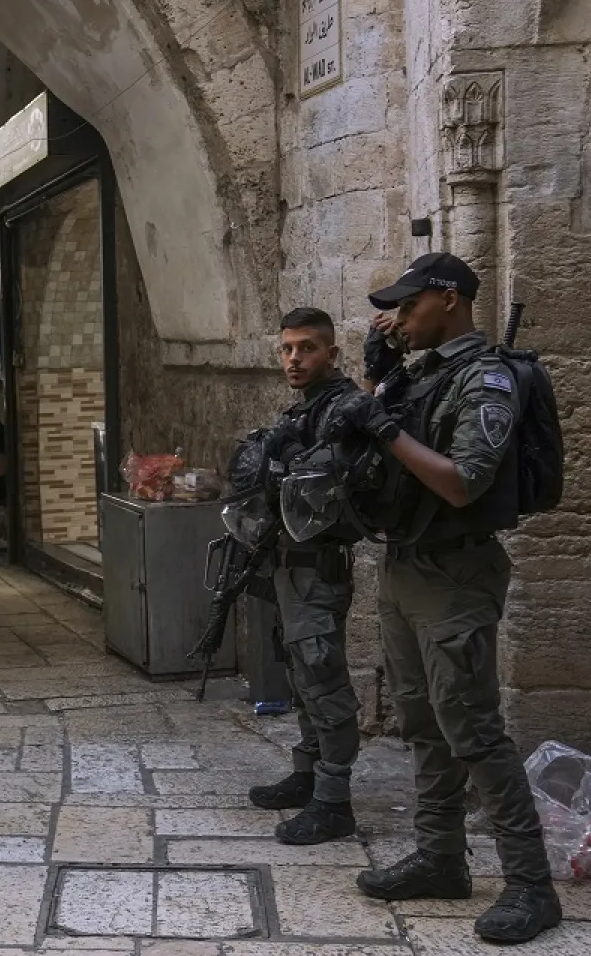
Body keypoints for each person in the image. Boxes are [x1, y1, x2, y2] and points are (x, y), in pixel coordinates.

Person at [326, 253, 560, 944]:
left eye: (408, 306)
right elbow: (383, 448)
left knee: (474, 730)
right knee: (422, 721)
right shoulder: (421, 374)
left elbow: (462, 482)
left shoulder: (486, 378)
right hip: (404, 566)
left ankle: (530, 884)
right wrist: (377, 379)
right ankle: (439, 856)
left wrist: (382, 425)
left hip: (457, 575)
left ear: (450, 300)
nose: (398, 319)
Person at [244, 307, 365, 846]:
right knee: (299, 671)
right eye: (287, 348)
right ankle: (308, 771)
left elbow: (324, 487)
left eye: (307, 348)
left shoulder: (345, 409)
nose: (295, 358)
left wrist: (287, 465)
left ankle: (334, 800)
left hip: (320, 566)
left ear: (331, 353)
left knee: (323, 676)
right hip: (291, 564)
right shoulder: (306, 409)